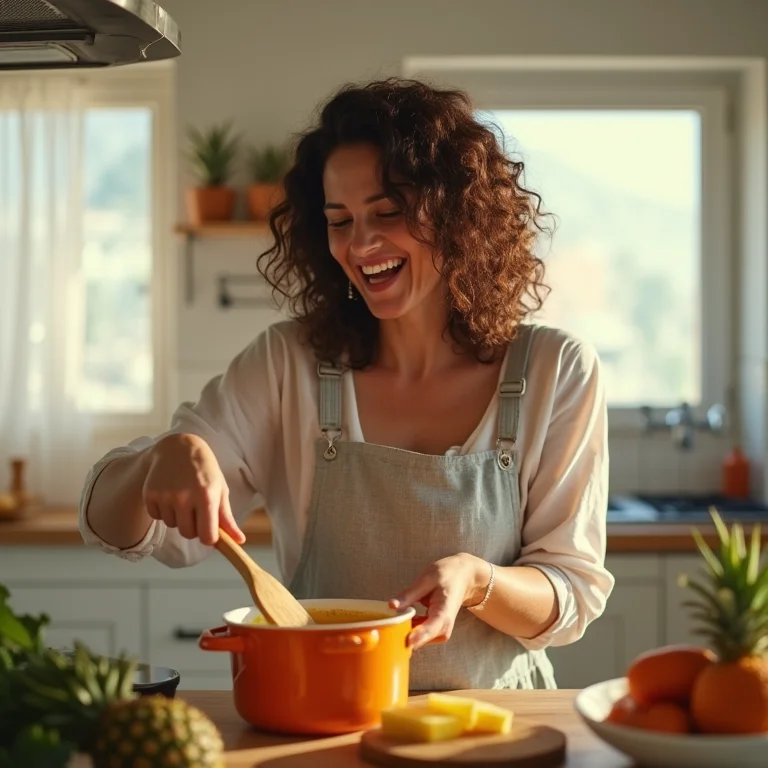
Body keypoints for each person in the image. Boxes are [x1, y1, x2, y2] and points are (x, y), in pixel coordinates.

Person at [80, 77, 614, 691]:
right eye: (340, 221)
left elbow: (571, 592)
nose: (361, 244)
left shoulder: (555, 370)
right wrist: (159, 460)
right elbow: (122, 531)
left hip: (492, 731)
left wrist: (478, 580)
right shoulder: (289, 364)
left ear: (460, 215)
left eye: (388, 212)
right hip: (319, 724)